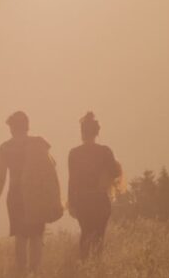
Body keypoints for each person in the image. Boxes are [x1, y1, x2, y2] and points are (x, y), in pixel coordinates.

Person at [0, 111, 63, 275]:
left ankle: (21, 272)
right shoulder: (38, 143)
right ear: (27, 126)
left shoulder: (5, 148)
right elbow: (51, 169)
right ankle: (35, 272)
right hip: (36, 195)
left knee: (20, 236)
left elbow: (1, 177)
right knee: (36, 236)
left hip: (15, 196)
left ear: (11, 128)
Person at [68, 111, 122, 261]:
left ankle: (84, 267)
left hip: (82, 200)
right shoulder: (105, 151)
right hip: (100, 199)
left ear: (82, 133)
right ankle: (97, 268)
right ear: (97, 132)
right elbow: (116, 172)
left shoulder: (74, 153)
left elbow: (72, 181)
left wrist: (71, 203)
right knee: (99, 235)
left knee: (85, 233)